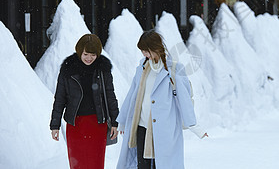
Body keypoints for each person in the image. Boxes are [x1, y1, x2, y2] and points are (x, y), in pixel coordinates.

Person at [116, 30, 207, 169]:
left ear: (155, 48)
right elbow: (132, 95)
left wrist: (194, 126)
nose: (144, 54)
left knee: (162, 164)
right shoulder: (142, 67)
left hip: (164, 128)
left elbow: (184, 98)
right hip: (141, 125)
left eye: (146, 51)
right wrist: (122, 121)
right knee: (143, 165)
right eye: (142, 51)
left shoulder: (174, 68)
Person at [50, 34, 119, 169]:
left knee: (95, 164)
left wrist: (115, 122)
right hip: (76, 124)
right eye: (86, 54)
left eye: (93, 55)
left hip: (98, 124)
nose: (89, 58)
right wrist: (55, 125)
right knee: (77, 164)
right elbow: (59, 98)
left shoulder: (103, 69)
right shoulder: (68, 69)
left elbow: (110, 95)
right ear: (80, 51)